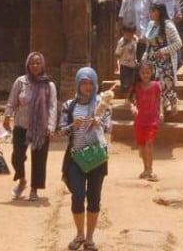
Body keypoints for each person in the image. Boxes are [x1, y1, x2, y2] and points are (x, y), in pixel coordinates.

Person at [59, 67, 112, 251]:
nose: (87, 87)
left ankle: (89, 238)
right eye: (84, 83)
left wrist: (100, 123)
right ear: (78, 84)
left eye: (90, 83)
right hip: (76, 158)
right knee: (78, 196)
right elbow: (62, 130)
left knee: (94, 197)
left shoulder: (103, 103)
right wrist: (75, 125)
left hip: (97, 158)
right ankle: (79, 234)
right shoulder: (69, 105)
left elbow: (108, 127)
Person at [3, 52, 57, 202]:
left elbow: (52, 106)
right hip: (21, 125)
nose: (35, 66)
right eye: (32, 63)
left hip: (41, 127)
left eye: (38, 63)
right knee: (17, 156)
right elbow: (12, 100)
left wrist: (51, 126)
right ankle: (22, 180)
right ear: (27, 65)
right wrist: (7, 116)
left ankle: (34, 189)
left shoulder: (49, 85)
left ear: (42, 65)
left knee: (39, 159)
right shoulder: (20, 82)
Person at [142, 2, 182, 115]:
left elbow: (179, 43)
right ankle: (159, 106)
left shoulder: (168, 25)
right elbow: (148, 43)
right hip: (151, 58)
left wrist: (163, 51)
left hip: (165, 60)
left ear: (159, 12)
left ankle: (172, 101)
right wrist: (145, 55)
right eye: (150, 11)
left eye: (153, 11)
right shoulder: (151, 24)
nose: (150, 13)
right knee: (153, 81)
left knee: (165, 82)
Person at [127, 60, 162, 181]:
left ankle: (151, 169)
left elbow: (160, 99)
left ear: (152, 73)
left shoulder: (156, 85)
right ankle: (145, 169)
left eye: (148, 72)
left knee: (149, 144)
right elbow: (131, 100)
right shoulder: (136, 87)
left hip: (152, 119)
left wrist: (161, 112)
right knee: (141, 146)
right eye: (143, 73)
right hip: (140, 120)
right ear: (139, 74)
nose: (145, 75)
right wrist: (133, 107)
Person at [114, 21, 138, 93]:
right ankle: (126, 100)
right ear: (123, 32)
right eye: (127, 33)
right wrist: (116, 63)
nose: (129, 35)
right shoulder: (122, 42)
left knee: (133, 83)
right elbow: (117, 54)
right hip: (125, 65)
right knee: (125, 84)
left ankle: (131, 99)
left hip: (133, 65)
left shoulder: (134, 39)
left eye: (131, 33)